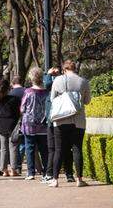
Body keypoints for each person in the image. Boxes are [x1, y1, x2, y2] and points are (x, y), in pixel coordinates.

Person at [49, 60, 92, 188]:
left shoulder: (57, 81)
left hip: (61, 120)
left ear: (64, 69)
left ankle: (55, 180)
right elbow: (87, 101)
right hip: (78, 121)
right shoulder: (83, 81)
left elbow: (52, 99)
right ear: (75, 68)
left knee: (59, 150)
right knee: (77, 148)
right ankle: (79, 179)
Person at [20, 67, 51, 181]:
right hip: (43, 125)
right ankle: (47, 172)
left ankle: (31, 172)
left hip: (29, 125)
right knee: (44, 150)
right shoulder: (47, 92)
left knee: (30, 149)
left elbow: (22, 108)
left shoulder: (28, 92)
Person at [0, 79, 22, 177]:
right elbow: (19, 113)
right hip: (13, 124)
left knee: (3, 148)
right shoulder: (15, 99)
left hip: (1, 124)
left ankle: (4, 170)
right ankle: (14, 169)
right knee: (13, 147)